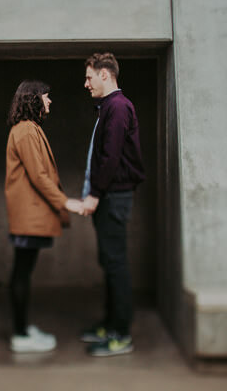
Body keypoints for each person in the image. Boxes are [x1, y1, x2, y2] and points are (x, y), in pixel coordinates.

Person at [4, 80, 85, 353]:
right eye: (47, 97)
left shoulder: (28, 128)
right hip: (28, 214)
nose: (50, 102)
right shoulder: (26, 130)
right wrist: (65, 202)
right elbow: (38, 176)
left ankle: (23, 329)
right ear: (34, 99)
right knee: (22, 273)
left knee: (23, 272)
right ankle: (20, 335)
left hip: (29, 214)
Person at [79, 53, 146, 357]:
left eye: (90, 77)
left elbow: (111, 156)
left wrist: (95, 193)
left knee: (116, 264)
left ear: (105, 75)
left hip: (113, 196)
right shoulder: (109, 107)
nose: (86, 83)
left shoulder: (117, 107)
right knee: (109, 261)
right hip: (110, 195)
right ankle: (110, 324)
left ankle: (121, 334)